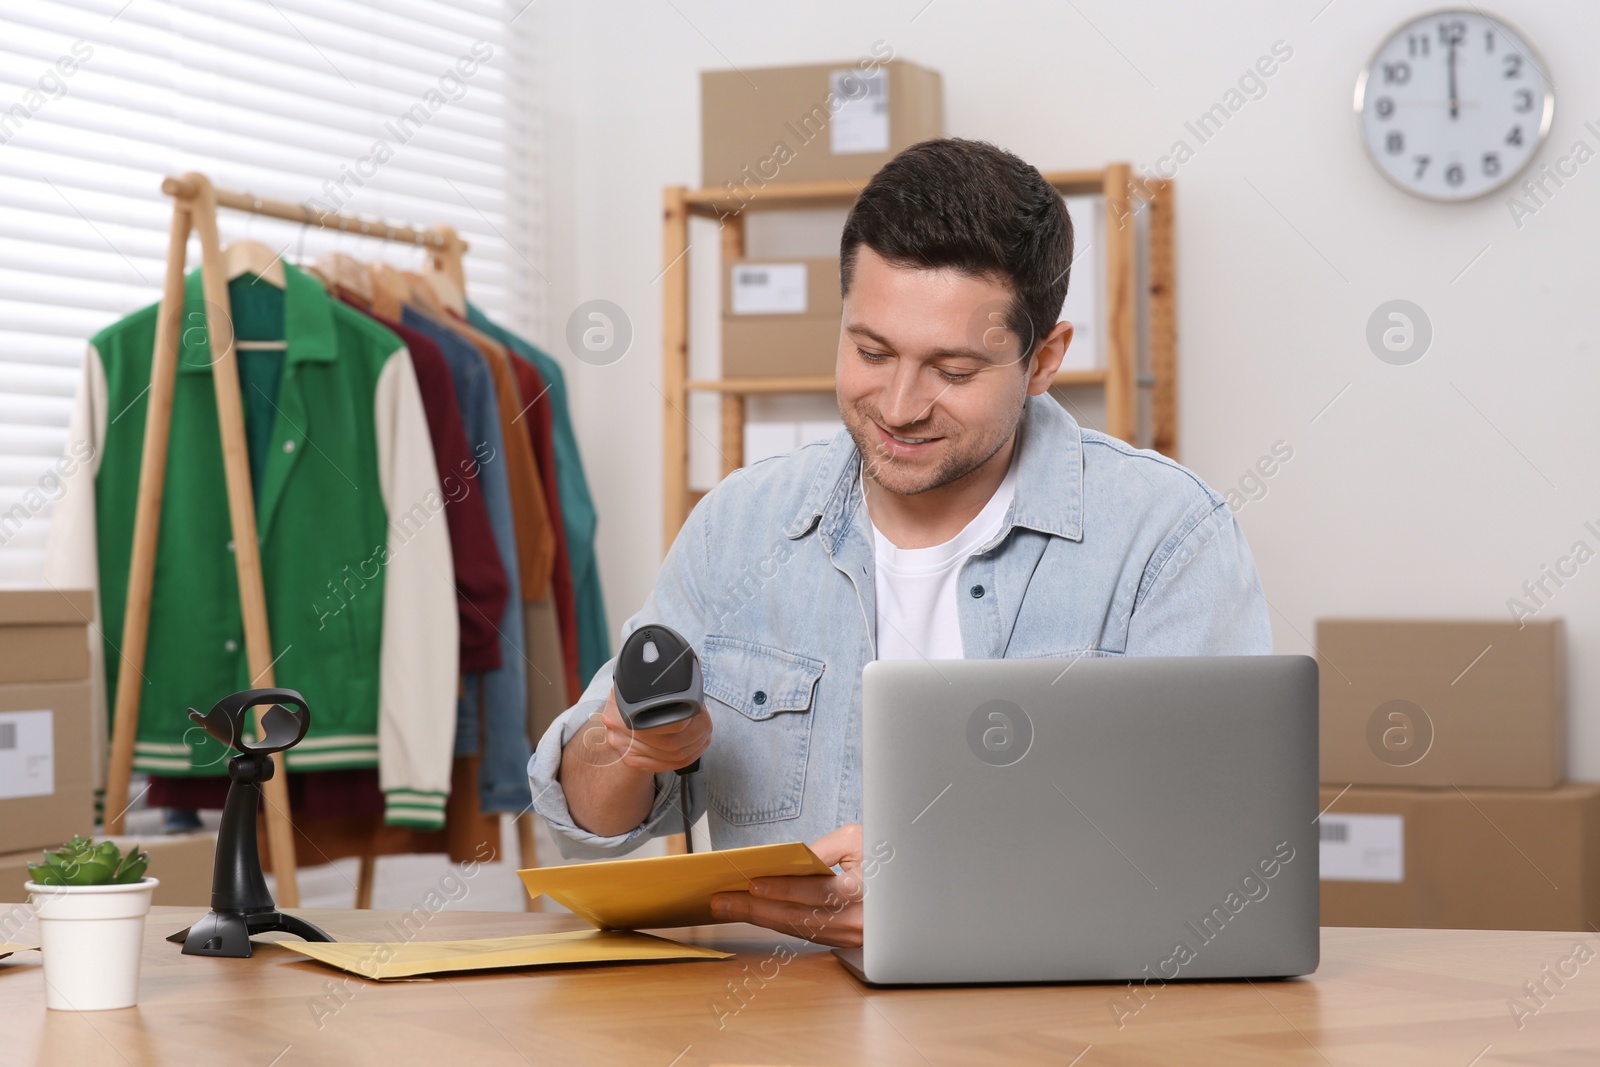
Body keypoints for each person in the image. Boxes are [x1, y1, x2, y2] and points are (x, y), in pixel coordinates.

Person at [529, 138, 1271, 948]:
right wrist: (627, 751)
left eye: (953, 370)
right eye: (871, 352)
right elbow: (591, 821)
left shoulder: (1168, 539)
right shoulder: (740, 524)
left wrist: (951, 901)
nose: (900, 404)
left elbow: (1220, 867)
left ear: (1044, 360)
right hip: (781, 1027)